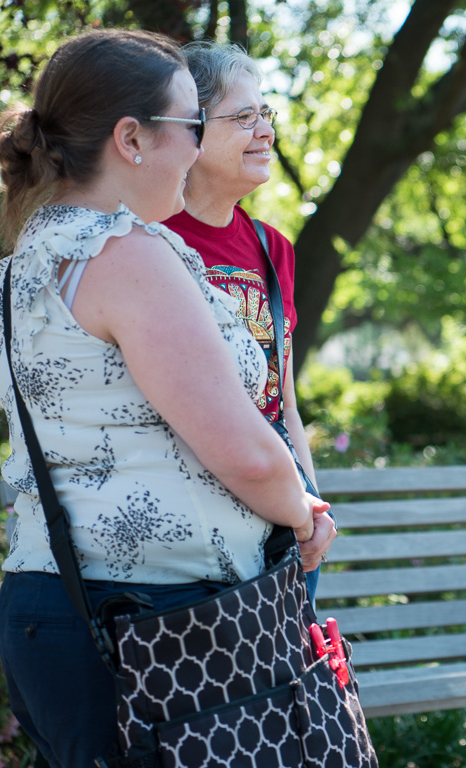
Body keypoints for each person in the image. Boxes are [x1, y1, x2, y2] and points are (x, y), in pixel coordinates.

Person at [0, 29, 333, 767]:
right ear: (131, 138)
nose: (199, 145)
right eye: (190, 125)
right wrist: (302, 514)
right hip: (155, 621)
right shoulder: (131, 255)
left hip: (55, 608)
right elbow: (242, 449)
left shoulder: (29, 259)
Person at [162, 41, 331, 601]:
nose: (266, 132)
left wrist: (310, 500)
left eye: (266, 114)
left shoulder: (270, 246)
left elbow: (284, 402)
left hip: (282, 527)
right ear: (191, 128)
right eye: (244, 117)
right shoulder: (149, 241)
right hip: (196, 527)